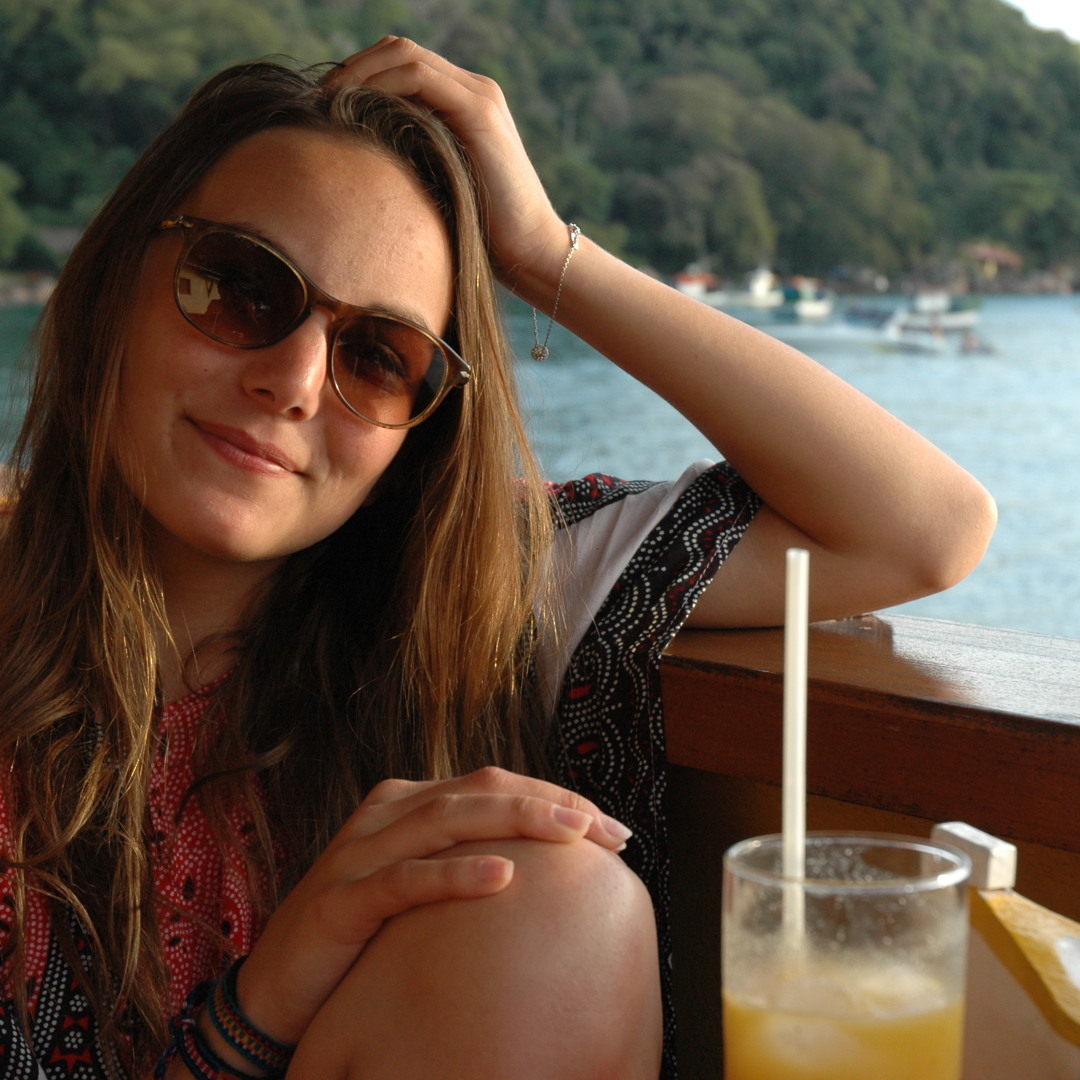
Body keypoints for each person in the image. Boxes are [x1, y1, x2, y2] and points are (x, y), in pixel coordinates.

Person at [0, 36, 995, 1080]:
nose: (292, 382)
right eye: (242, 287)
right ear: (115, 280)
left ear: (419, 424)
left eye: (378, 356)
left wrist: (541, 254)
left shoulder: (463, 592)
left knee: (561, 906)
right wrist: (263, 1004)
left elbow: (920, 527)